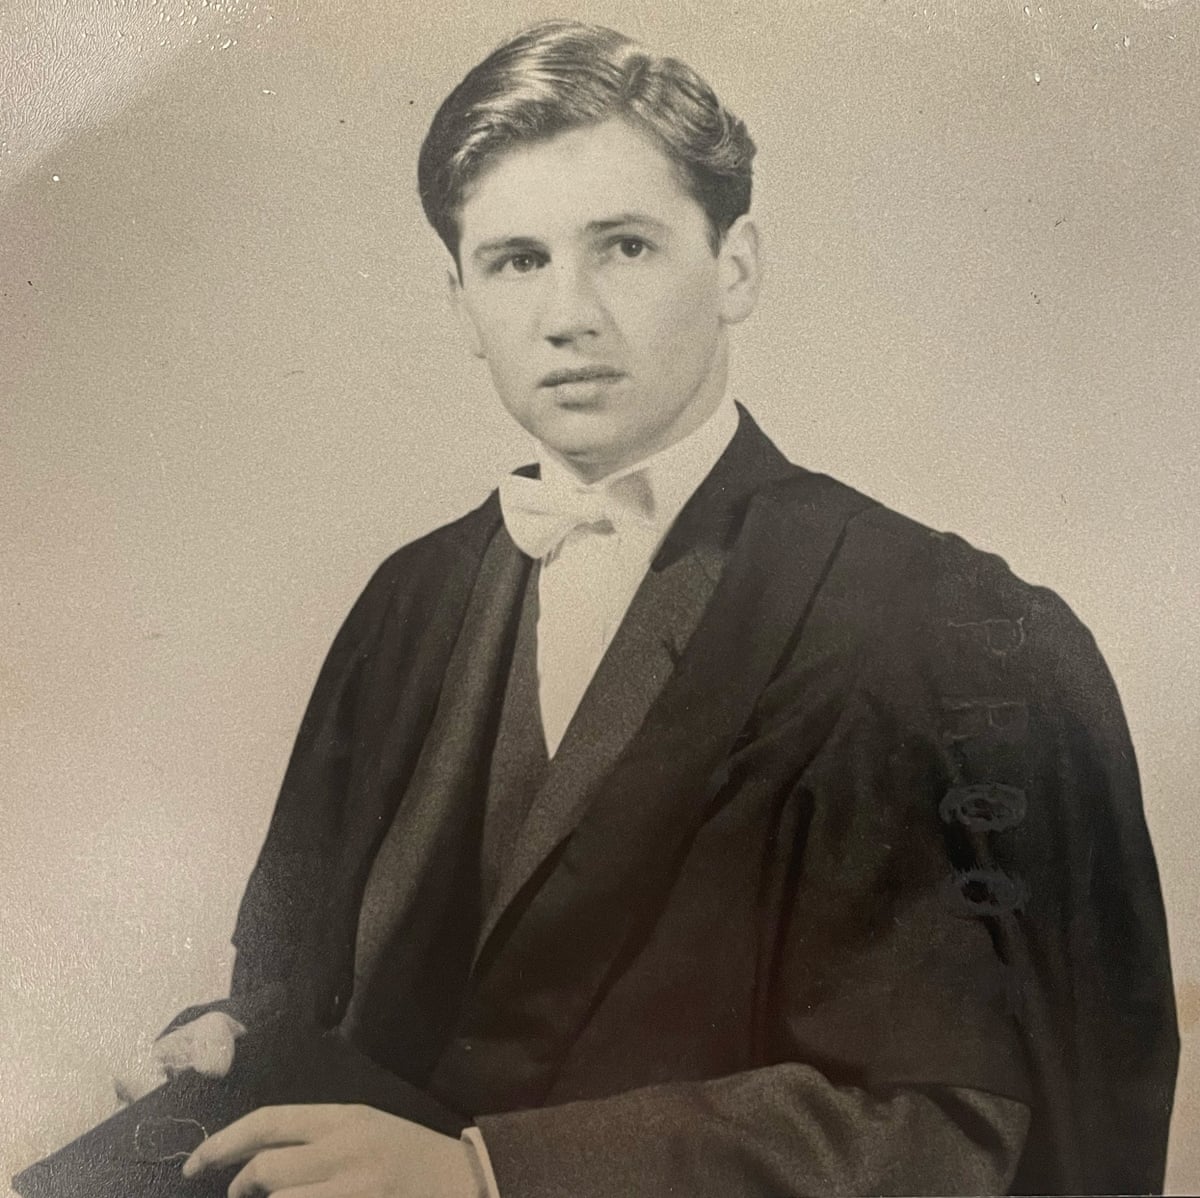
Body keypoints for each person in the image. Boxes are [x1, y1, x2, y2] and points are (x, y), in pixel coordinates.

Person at [146, 19, 1176, 1197]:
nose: (567, 312)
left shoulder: (936, 631)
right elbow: (301, 979)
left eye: (624, 247)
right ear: (458, 299)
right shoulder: (410, 599)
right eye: (516, 260)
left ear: (735, 265)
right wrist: (237, 1034)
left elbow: (952, 1131)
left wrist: (494, 1178)